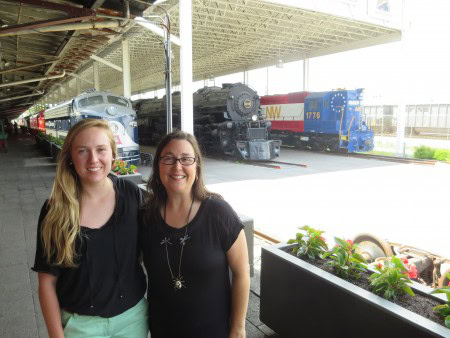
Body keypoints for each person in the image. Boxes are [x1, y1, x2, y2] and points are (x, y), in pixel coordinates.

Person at [32, 119, 148, 338]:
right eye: (83, 151)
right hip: (80, 327)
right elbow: (46, 282)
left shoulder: (132, 195)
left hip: (132, 320)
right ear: (70, 158)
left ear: (113, 154)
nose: (93, 159)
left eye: (101, 150)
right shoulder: (56, 209)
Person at [140, 130, 250, 338]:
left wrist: (238, 329)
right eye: (168, 158)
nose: (177, 166)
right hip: (163, 330)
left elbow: (242, 273)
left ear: (197, 167)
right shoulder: (146, 217)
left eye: (186, 159)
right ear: (158, 166)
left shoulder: (219, 213)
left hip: (214, 331)